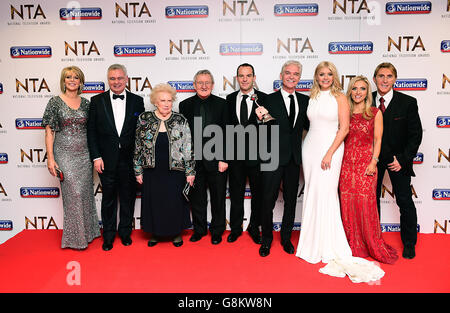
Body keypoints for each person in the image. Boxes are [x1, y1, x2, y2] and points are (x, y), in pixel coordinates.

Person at [296, 61, 384, 283]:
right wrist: (306, 150)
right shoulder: (312, 97)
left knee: (326, 194)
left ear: (334, 77)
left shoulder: (340, 97)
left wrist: (328, 153)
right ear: (316, 77)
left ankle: (327, 243)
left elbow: (344, 128)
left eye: (329, 74)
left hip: (331, 150)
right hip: (310, 150)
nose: (325, 77)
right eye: (321, 74)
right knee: (312, 194)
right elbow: (308, 127)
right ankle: (310, 242)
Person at [339, 76, 398, 264]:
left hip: (366, 163)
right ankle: (349, 243)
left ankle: (369, 243)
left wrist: (374, 161)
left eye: (362, 89)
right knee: (347, 204)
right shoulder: (344, 111)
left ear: (367, 92)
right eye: (354, 88)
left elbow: (378, 140)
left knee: (366, 205)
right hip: (346, 164)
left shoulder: (374, 112)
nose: (358, 92)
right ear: (350, 91)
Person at [87, 64, 145, 251]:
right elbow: (91, 132)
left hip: (129, 159)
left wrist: (139, 160)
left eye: (120, 78)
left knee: (128, 197)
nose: (116, 82)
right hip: (106, 159)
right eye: (112, 78)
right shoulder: (97, 101)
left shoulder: (138, 101)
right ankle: (109, 236)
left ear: (126, 79)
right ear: (108, 80)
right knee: (109, 199)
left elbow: (140, 133)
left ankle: (126, 233)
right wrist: (96, 157)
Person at [254, 60, 309, 257]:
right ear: (281, 76)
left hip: (294, 159)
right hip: (272, 158)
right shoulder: (267, 100)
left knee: (291, 201)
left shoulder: (305, 101)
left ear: (299, 78)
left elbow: (312, 129)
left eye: (295, 74)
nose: (291, 76)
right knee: (267, 201)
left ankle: (286, 238)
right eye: (288, 73)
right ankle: (266, 240)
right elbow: (258, 129)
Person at [43, 65, 100, 249]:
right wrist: (51, 158)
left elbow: (92, 130)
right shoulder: (54, 102)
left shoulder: (86, 103)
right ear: (64, 80)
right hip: (64, 153)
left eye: (76, 77)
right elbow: (49, 131)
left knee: (84, 193)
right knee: (73, 194)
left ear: (81, 81)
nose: (72, 80)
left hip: (84, 154)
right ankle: (75, 239)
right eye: (69, 77)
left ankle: (89, 233)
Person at [134, 83, 195, 247]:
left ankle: (175, 233)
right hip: (152, 169)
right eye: (163, 100)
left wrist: (190, 171)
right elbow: (138, 145)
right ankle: (155, 233)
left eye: (169, 100)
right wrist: (137, 170)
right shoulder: (144, 119)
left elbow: (187, 146)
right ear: (155, 101)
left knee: (174, 201)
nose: (167, 104)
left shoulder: (180, 119)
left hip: (175, 169)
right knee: (155, 201)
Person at [372, 62, 423, 259]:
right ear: (375, 78)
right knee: (371, 202)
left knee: (404, 200)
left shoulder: (408, 102)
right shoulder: (366, 100)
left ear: (395, 79)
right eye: (381, 76)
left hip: (397, 160)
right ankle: (373, 240)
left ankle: (409, 242)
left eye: (389, 76)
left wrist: (402, 159)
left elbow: (415, 135)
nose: (385, 80)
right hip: (373, 160)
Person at [179, 70, 229, 245]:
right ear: (194, 85)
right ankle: (199, 230)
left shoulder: (223, 104)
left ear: (213, 85)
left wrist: (225, 158)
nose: (204, 86)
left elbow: (228, 132)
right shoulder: (184, 105)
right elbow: (182, 136)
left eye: (207, 82)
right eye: (200, 82)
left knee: (218, 197)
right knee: (197, 198)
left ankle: (217, 231)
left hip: (217, 160)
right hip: (194, 160)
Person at [225, 63, 267, 244]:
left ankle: (254, 227)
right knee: (236, 194)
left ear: (254, 78)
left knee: (258, 194)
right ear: (237, 78)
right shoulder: (229, 98)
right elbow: (225, 129)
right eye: (241, 76)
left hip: (257, 157)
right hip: (235, 157)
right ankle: (235, 228)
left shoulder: (264, 98)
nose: (244, 79)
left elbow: (270, 128)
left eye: (248, 75)